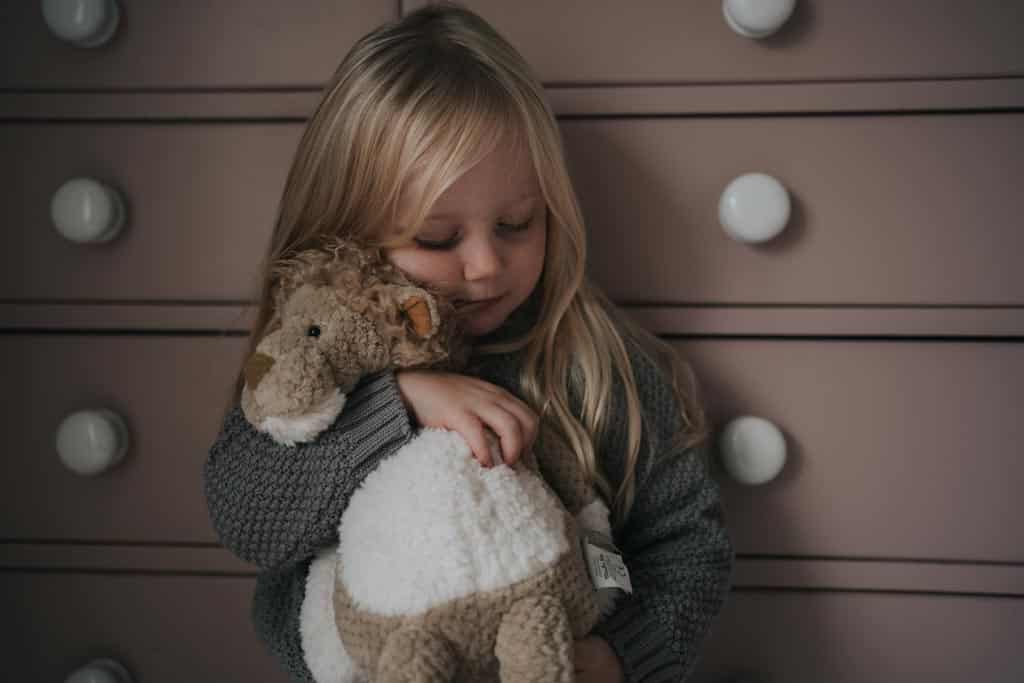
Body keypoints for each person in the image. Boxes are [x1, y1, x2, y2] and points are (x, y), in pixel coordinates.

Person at [203, 3, 733, 681]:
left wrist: (618, 660)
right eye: (436, 237)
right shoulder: (314, 365)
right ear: (348, 229)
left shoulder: (594, 364)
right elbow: (245, 516)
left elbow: (687, 545)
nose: (484, 265)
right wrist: (398, 403)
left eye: (517, 223)